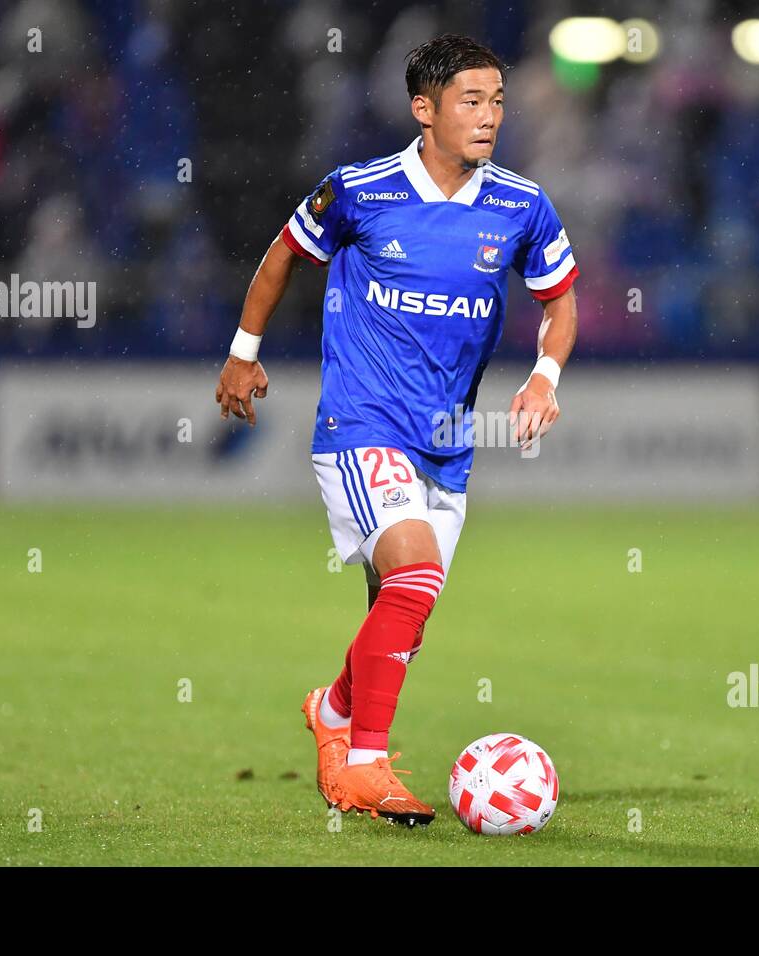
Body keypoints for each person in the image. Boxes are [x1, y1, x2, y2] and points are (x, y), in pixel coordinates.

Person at [214, 34, 578, 826]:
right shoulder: (359, 191)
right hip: (361, 422)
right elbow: (281, 256)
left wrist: (544, 377)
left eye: (498, 101)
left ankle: (334, 712)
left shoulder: (521, 204)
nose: (490, 117)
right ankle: (368, 765)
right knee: (412, 577)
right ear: (425, 109)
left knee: (403, 613)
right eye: (471, 101)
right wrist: (244, 353)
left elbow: (560, 299)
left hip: (446, 442)